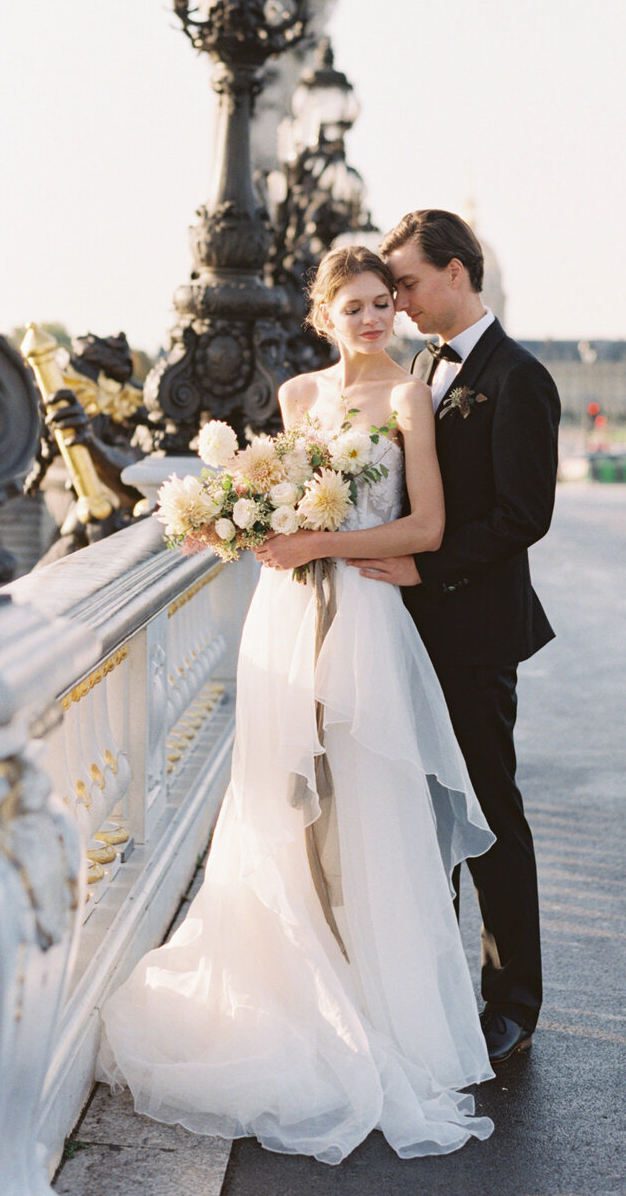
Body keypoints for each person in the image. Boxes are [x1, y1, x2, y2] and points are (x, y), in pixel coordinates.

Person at [98, 246, 497, 1164]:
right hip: (286, 619)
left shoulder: (408, 399)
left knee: (366, 809)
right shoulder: (296, 400)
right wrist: (248, 520)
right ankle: (293, 989)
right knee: (278, 805)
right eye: (353, 307)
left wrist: (319, 533)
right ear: (322, 315)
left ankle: (372, 1006)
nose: (371, 320)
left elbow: (427, 526)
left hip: (363, 619)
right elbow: (272, 517)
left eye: (381, 305)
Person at [356, 209, 560, 1066]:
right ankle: (432, 990)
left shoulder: (521, 380)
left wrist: (424, 573)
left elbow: (524, 516)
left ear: (456, 273)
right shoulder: (419, 369)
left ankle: (511, 999)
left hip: (474, 632)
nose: (396, 301)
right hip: (401, 633)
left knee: (487, 814)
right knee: (420, 815)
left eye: (404, 282)